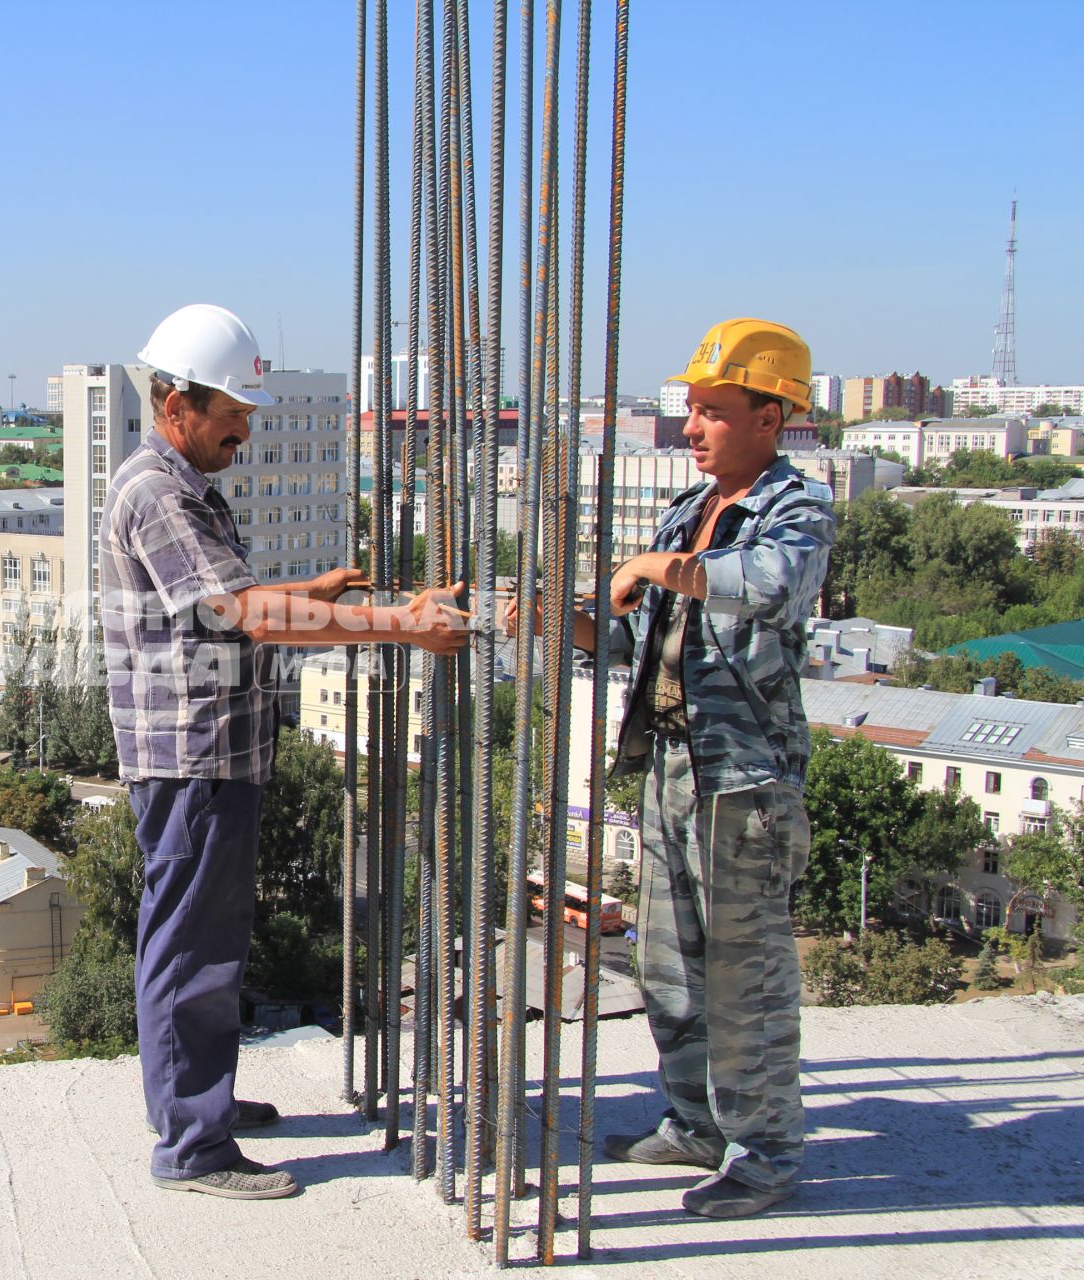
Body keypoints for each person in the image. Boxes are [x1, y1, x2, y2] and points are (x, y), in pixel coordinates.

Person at [99, 303, 470, 1200]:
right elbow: (248, 616)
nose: (247, 427)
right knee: (193, 948)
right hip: (195, 757)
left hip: (211, 750)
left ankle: (196, 1107)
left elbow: (228, 600)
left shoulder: (185, 483)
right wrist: (399, 628)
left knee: (191, 938)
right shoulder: (159, 491)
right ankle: (191, 1145)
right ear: (177, 400)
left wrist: (313, 587)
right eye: (235, 409)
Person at [512, 317, 833, 1218]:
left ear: (772, 417)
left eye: (713, 411)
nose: (692, 429)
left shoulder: (794, 509)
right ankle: (695, 1122)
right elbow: (623, 637)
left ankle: (764, 1153)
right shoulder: (686, 512)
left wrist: (660, 566)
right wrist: (553, 618)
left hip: (745, 786)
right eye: (690, 411)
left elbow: (773, 584)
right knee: (669, 968)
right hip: (671, 772)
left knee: (747, 977)